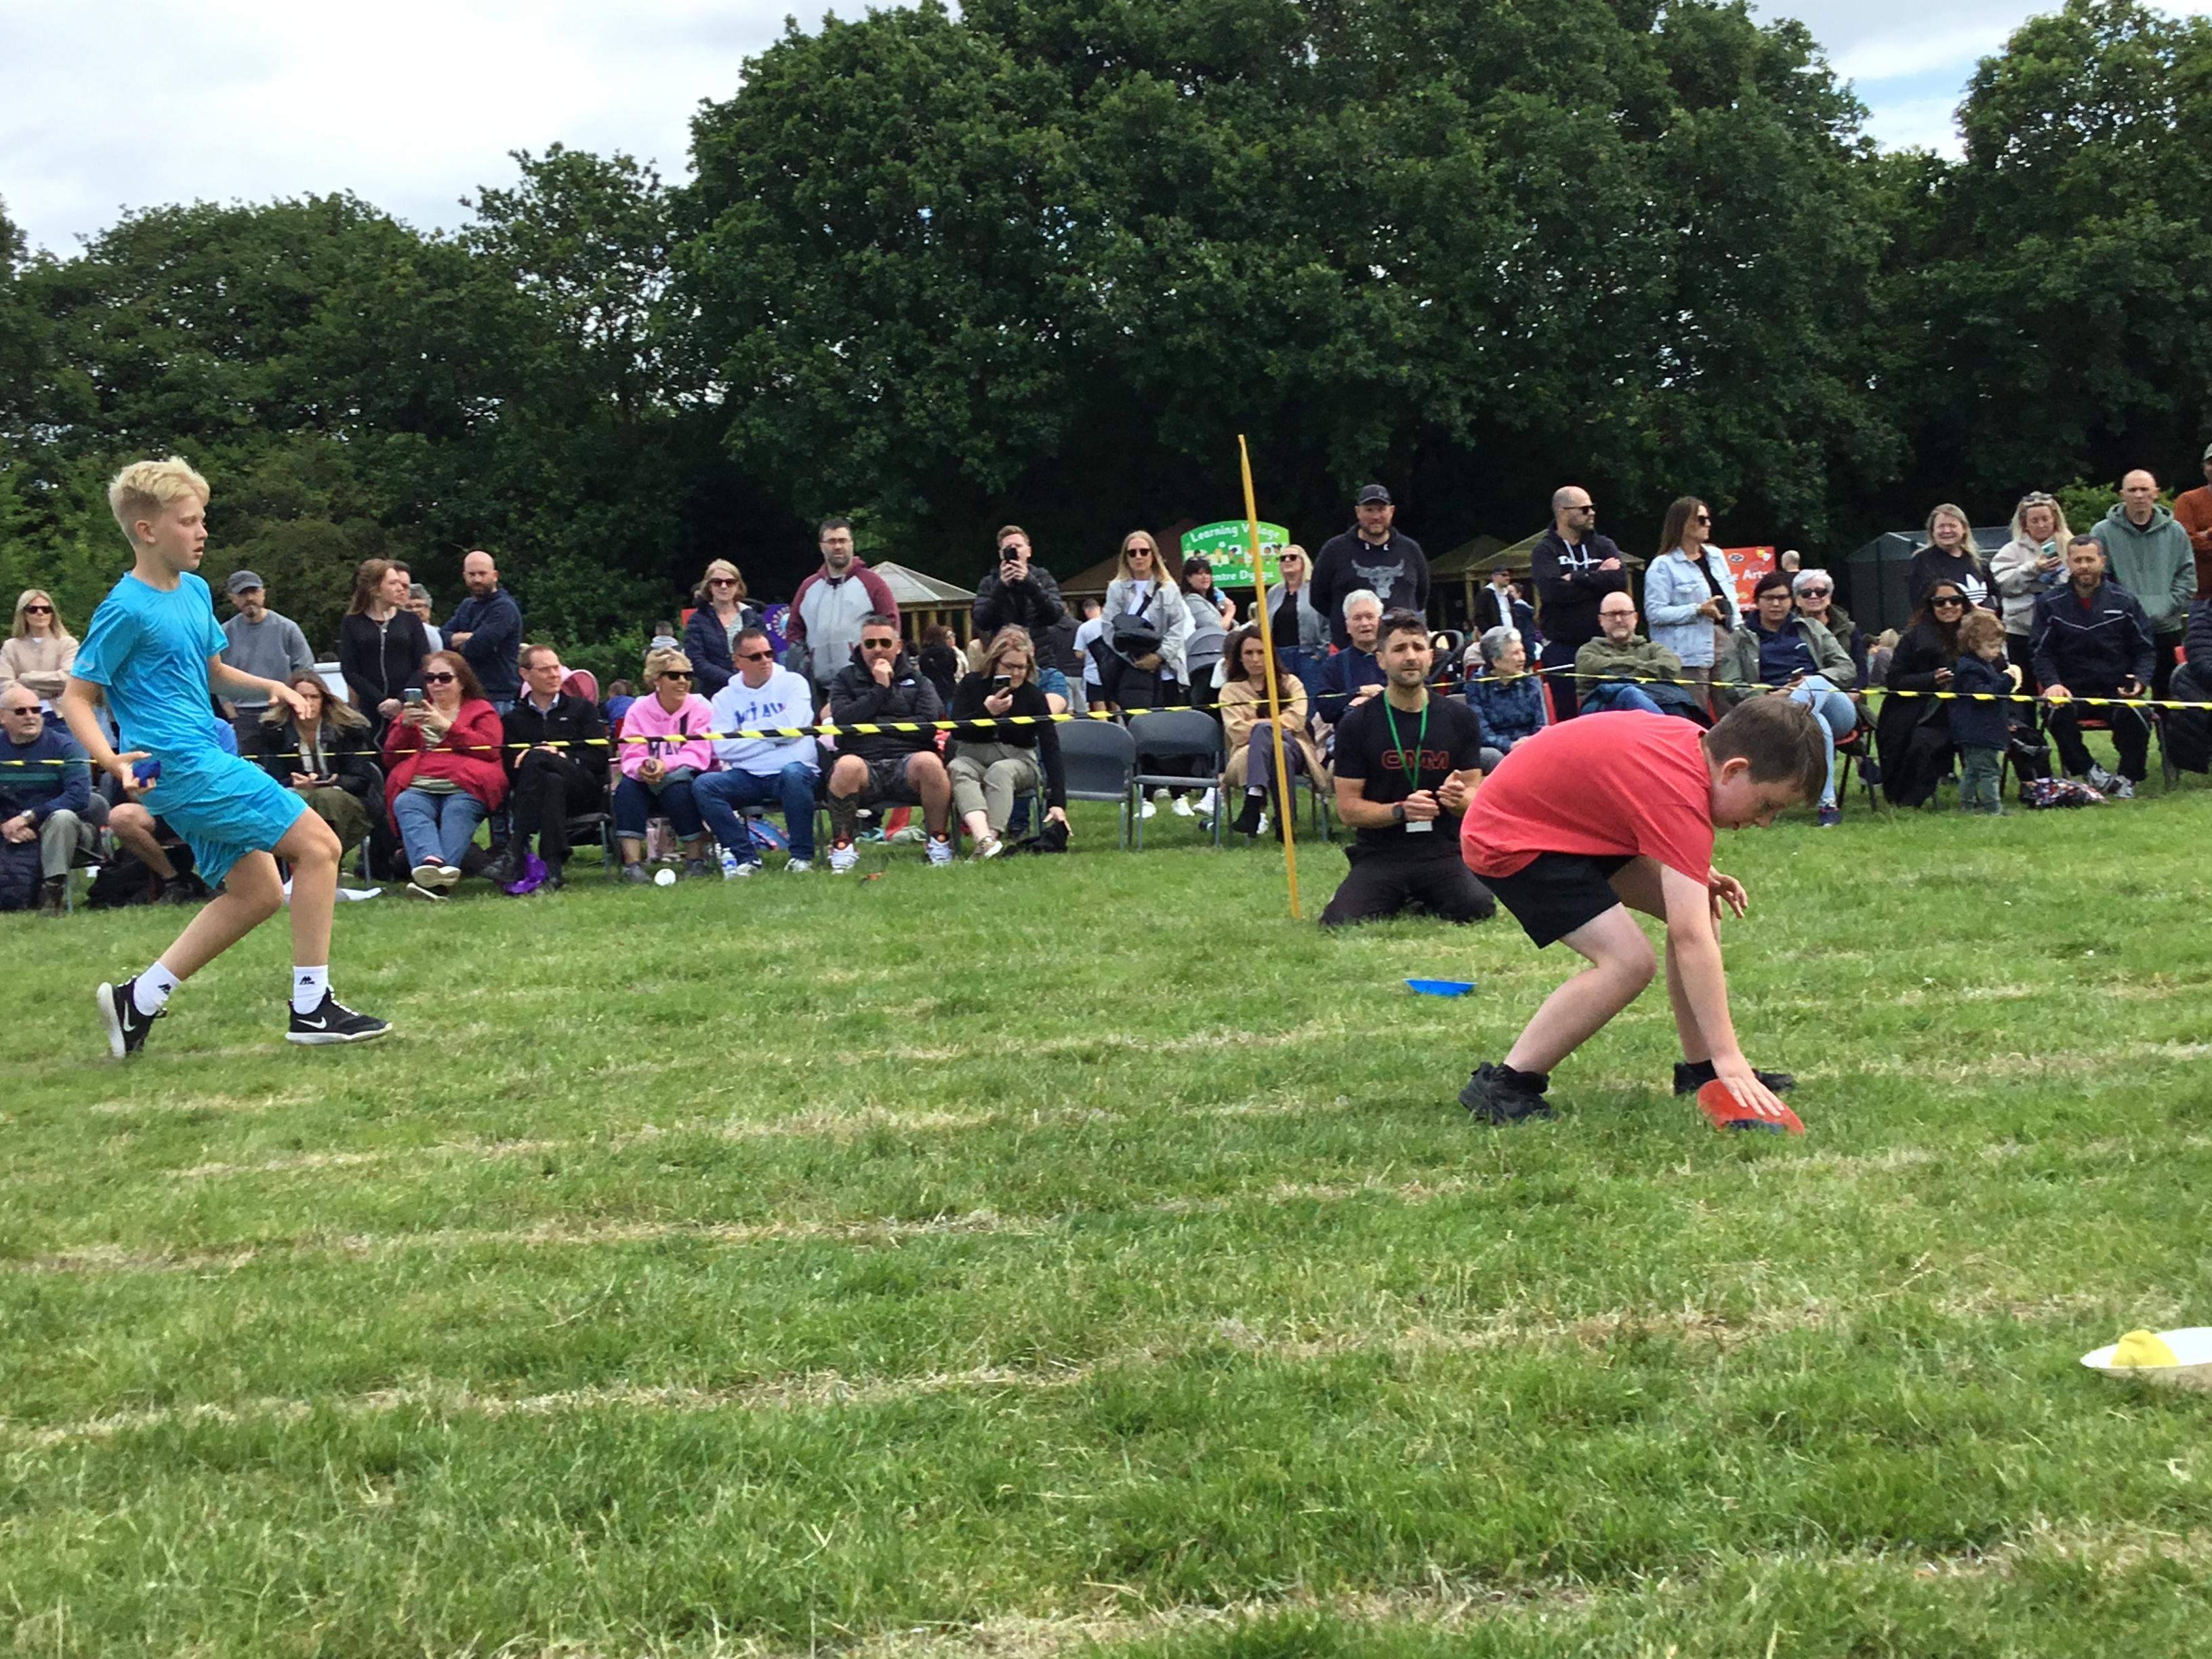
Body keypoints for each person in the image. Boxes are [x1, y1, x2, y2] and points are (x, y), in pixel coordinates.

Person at [61, 457, 386, 1052]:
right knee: (319, 847)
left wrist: (273, 686)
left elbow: (213, 673)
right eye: (188, 522)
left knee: (257, 893)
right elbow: (77, 697)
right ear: (147, 531)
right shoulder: (125, 608)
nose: (202, 532)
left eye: (202, 519)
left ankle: (139, 1000)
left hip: (199, 755)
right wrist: (112, 759)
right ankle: (312, 1008)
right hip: (179, 763)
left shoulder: (191, 592)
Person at [1456, 697, 1824, 1126]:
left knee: (1701, 908)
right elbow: (1690, 938)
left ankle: (1702, 1069)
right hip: (1510, 840)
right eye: (1766, 806)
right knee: (1629, 963)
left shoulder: (1695, 750)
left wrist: (1694, 870)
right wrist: (1732, 1057)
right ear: (1733, 770)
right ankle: (1507, 1082)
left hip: (1564, 827)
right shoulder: (1680, 794)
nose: (1765, 823)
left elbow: (1629, 795)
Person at [1319, 612, 1494, 927]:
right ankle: (1402, 895)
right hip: (1382, 854)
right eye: (1399, 649)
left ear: (1430, 656)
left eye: (1418, 647)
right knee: (1340, 922)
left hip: (1443, 852)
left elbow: (1474, 798)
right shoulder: (1356, 724)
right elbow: (1348, 809)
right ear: (1381, 659)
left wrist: (1459, 799)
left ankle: (1416, 898)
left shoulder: (1460, 718)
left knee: (1478, 908)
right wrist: (1401, 811)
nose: (1410, 656)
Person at [1715, 571, 1858, 826]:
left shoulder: (1811, 628)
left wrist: (1808, 684)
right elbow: (1731, 686)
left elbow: (1846, 668)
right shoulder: (1740, 637)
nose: (1776, 604)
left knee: (1816, 684)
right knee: (1817, 724)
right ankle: (1828, 805)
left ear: (1792, 601)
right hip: (1776, 707)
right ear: (1757, 602)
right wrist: (1770, 695)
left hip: (1832, 705)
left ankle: (1793, 716)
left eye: (1782, 598)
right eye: (1769, 598)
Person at [825, 615, 954, 871]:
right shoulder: (844, 679)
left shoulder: (919, 680)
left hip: (909, 762)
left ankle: (938, 842)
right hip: (862, 762)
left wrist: (874, 722)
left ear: (898, 646)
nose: (877, 649)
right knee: (846, 766)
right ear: (860, 647)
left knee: (930, 763)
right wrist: (880, 689)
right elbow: (843, 720)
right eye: (870, 643)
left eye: (885, 642)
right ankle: (842, 846)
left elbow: (927, 725)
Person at [2033, 537, 2156, 797]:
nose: (2084, 566)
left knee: (2138, 714)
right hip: (2071, 690)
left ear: (2102, 561)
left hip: (2116, 689)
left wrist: (2139, 681)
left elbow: (2145, 650)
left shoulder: (2125, 600)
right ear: (2068, 563)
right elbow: (2041, 653)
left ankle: (2127, 777)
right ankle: (2089, 771)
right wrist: (2052, 684)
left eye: (2090, 559)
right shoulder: (2049, 603)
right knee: (2056, 715)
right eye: (2077, 560)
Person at [382, 649, 508, 897]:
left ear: (462, 681)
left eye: (445, 678)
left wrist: (447, 727)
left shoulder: (481, 710)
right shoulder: (413, 713)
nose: (436, 684)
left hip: (465, 786)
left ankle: (431, 881)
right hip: (419, 785)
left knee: (457, 810)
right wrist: (405, 727)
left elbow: (490, 749)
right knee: (406, 803)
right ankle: (432, 864)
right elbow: (391, 758)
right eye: (430, 678)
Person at [696, 626, 819, 876]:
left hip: (795, 771)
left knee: (794, 775)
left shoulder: (794, 683)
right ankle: (745, 858)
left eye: (769, 653)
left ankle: (801, 857)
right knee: (704, 785)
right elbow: (723, 748)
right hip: (748, 776)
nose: (765, 660)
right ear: (737, 661)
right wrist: (775, 737)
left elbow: (794, 727)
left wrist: (747, 731)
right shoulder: (724, 698)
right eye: (756, 656)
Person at [488, 644, 609, 891]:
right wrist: (542, 758)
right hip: (539, 794)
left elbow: (599, 758)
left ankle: (515, 850)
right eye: (545, 670)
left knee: (537, 758)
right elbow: (512, 769)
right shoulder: (513, 720)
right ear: (525, 674)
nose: (554, 675)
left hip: (583, 788)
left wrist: (558, 756)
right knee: (552, 782)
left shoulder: (582, 709)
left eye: (556, 668)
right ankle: (552, 869)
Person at [947, 626, 1069, 858]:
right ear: (995, 662)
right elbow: (957, 731)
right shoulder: (971, 684)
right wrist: (987, 712)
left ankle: (991, 839)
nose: (1016, 673)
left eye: (1022, 667)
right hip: (972, 755)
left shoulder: (1033, 695)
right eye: (1009, 666)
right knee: (957, 767)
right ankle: (984, 840)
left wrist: (1058, 802)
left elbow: (1051, 747)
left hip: (1019, 760)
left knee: (1000, 771)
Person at [2086, 469, 2196, 699]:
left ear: (2156, 493)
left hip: (2166, 626)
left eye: (2144, 489)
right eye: (2133, 490)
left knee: (2169, 695)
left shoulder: (2176, 532)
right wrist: (2122, 609)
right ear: (2122, 495)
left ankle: (2167, 726)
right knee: (2124, 697)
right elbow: (2099, 579)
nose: (2139, 495)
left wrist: (2168, 606)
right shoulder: (2102, 532)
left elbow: (2187, 576)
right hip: (2121, 628)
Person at [612, 648, 717, 880]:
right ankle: (632, 866)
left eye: (687, 676)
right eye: (674, 675)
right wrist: (644, 767)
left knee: (678, 790)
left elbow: (699, 754)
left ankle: (695, 861)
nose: (682, 681)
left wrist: (665, 765)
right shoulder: (638, 710)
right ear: (656, 680)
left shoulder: (701, 709)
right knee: (627, 790)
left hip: (686, 775)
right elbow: (630, 752)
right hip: (645, 776)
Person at [1218, 625, 1328, 839]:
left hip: (1298, 750)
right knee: (1280, 751)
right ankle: (1284, 826)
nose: (1255, 659)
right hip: (1247, 754)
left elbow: (1297, 721)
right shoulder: (1230, 691)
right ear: (1239, 657)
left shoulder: (1292, 683)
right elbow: (1237, 732)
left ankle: (1254, 797)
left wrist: (1258, 725)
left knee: (1266, 733)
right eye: (1249, 653)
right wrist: (1277, 723)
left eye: (1261, 652)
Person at [1529, 484, 1627, 719]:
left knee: (1612, 711)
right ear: (1562, 512)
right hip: (1563, 647)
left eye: (1592, 507)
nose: (1591, 513)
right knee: (1568, 715)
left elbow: (1619, 582)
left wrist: (1575, 577)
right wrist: (1598, 577)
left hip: (1605, 645)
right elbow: (1553, 592)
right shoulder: (1545, 551)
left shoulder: (1604, 545)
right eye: (1584, 509)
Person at [255, 670, 378, 855]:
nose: (309, 702)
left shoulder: (348, 729)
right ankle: (310, 859)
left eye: (314, 697)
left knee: (325, 797)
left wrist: (332, 781)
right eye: (302, 697)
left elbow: (361, 780)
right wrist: (293, 782)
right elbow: (272, 780)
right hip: (295, 797)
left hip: (345, 801)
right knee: (300, 799)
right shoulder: (275, 732)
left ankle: (324, 856)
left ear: (324, 700)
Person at [1, 682, 98, 913]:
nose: (31, 716)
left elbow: (78, 797)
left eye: (36, 710)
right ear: (2, 717)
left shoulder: (67, 746)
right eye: (21, 711)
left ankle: (52, 893)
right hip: (9, 826)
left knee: (62, 817)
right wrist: (5, 825)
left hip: (67, 830)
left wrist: (29, 818)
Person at [1877, 581, 1970, 808]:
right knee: (1922, 741)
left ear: (1964, 604)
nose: (1948, 606)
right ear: (1931, 606)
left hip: (1971, 711)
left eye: (1955, 600)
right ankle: (1909, 797)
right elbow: (1895, 680)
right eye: (1940, 602)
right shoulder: (1913, 639)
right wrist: (1930, 679)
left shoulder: (1977, 633)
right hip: (1924, 711)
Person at [1641, 499, 1734, 712]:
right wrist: (1697, 610)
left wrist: (1738, 632)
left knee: (1732, 711)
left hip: (1724, 641)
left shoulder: (1716, 556)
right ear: (1682, 523)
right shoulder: (1663, 566)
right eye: (1701, 519)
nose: (1708, 524)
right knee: (1693, 713)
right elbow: (1654, 613)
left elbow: (1732, 596)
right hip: (1686, 653)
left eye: (1708, 518)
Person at [787, 517, 900, 691]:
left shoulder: (873, 583)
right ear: (822, 546)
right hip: (817, 685)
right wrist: (805, 662)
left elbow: (891, 626)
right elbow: (794, 630)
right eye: (832, 541)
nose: (838, 546)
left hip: (862, 682)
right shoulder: (808, 587)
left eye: (843, 540)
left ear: (852, 544)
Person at [1311, 485, 1429, 647]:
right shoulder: (1334, 550)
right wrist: (1347, 620)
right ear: (1358, 512)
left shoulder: (1411, 550)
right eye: (1369, 510)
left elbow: (1421, 596)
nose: (1375, 516)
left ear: (1391, 511)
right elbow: (1318, 598)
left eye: (1381, 510)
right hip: (1349, 648)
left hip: (1401, 648)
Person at [339, 558, 431, 738]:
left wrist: (400, 700)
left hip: (407, 706)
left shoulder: (410, 620)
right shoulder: (352, 622)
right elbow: (350, 669)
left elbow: (423, 664)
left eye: (400, 583)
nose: (400, 588)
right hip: (371, 706)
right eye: (393, 583)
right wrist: (381, 701)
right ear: (375, 590)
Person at [1991, 491, 2072, 694]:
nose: (2041, 525)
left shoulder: (2071, 546)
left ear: (2055, 519)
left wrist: (2052, 577)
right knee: (2023, 687)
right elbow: (2004, 585)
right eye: (2035, 521)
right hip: (2020, 630)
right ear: (2024, 524)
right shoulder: (2010, 551)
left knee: (2061, 683)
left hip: (2061, 628)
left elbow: (2078, 582)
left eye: (2045, 519)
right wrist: (2033, 569)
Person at [1102, 530, 1191, 705]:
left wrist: (1158, 657)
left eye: (1144, 551)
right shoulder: (1116, 588)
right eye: (1132, 553)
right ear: (1125, 557)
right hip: (1130, 670)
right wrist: (1135, 660)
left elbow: (1178, 627)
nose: (1139, 557)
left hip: (1167, 671)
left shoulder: (1169, 588)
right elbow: (1108, 628)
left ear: (1153, 555)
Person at [218, 571, 314, 724]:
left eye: (254, 591)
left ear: (263, 593)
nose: (249, 598)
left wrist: (294, 702)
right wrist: (228, 707)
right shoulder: (223, 633)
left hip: (282, 710)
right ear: (233, 599)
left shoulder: (287, 628)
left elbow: (304, 669)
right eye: (243, 594)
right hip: (242, 714)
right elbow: (216, 672)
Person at [1574, 594, 1689, 716]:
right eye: (1612, 614)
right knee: (1630, 694)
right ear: (1601, 620)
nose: (1618, 620)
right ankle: (1665, 727)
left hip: (1655, 698)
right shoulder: (1588, 651)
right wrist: (1644, 669)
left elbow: (1671, 668)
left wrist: (1618, 672)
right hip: (1601, 706)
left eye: (1624, 613)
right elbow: (1589, 669)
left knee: (1676, 705)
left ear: (1635, 617)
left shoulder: (1654, 648)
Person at [443, 550, 523, 713]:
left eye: (482, 573)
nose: (477, 579)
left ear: (495, 575)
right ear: (464, 576)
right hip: (468, 694)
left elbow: (476, 648)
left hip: (499, 696)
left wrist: (459, 641)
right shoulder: (466, 606)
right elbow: (441, 638)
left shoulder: (504, 608)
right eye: (472, 574)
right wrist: (468, 637)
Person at [1950, 609, 2013, 815]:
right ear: (1973, 644)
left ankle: (1968, 804)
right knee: (1989, 771)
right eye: (1992, 646)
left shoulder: (1982, 665)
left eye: (2000, 647)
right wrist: (2007, 680)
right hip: (1979, 730)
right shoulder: (1971, 669)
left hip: (1979, 729)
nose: (1997, 652)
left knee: (1973, 770)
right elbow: (1984, 695)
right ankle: (1993, 808)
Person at [1465, 626, 1547, 768]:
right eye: (1515, 653)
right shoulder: (1477, 685)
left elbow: (1542, 725)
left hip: (1530, 744)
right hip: (1497, 750)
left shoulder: (1531, 682)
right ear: (1496, 661)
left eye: (1522, 651)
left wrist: (1530, 742)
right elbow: (1482, 732)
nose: (1522, 658)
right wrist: (1509, 745)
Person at [681, 558, 762, 696]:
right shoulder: (697, 621)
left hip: (755, 691)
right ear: (709, 586)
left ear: (738, 586)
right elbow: (695, 661)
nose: (724, 586)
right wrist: (732, 680)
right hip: (714, 694)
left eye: (730, 582)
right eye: (717, 582)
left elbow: (767, 654)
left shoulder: (753, 618)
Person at [1311, 590, 1387, 731]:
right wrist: (1358, 692)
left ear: (1380, 622)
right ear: (1348, 626)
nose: (1365, 623)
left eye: (1370, 616)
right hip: (1350, 737)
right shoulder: (1334, 665)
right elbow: (1325, 709)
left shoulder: (1396, 658)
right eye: (1357, 618)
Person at [972, 527, 1067, 638]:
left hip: (1039, 646)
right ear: (1001, 554)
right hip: (1005, 646)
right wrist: (1001, 587)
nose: (1015, 550)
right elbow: (982, 622)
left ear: (1029, 552)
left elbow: (1055, 616)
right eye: (1009, 548)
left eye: (1018, 546)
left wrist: (1030, 583)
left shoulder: (1042, 578)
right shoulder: (989, 583)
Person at [1264, 544, 1330, 688]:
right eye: (1283, 558)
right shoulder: (1273, 593)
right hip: (1279, 657)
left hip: (1309, 656)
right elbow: (1264, 623)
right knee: (1284, 697)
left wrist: (1322, 652)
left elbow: (1329, 622)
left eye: (1293, 557)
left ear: (1303, 562)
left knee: (1311, 698)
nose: (1287, 560)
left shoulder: (1316, 588)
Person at [1906, 504, 1994, 612]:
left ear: (1964, 529)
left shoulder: (1979, 563)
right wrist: (1969, 609)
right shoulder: (1922, 561)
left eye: (1952, 526)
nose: (1947, 531)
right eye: (1941, 526)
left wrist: (1988, 611)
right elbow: (1921, 603)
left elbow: (1995, 595)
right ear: (1932, 531)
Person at [2, 588, 79, 706]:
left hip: (61, 712)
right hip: (22, 711)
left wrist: (26, 679)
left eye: (46, 609)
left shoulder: (68, 644)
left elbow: (69, 679)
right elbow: (5, 685)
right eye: (33, 610)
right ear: (24, 614)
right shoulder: (10, 647)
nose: (40, 613)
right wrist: (43, 693)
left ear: (52, 614)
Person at [1181, 555, 1235, 711]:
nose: (1204, 577)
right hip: (1203, 662)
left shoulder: (1213, 601)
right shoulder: (1191, 601)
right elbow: (1217, 627)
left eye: (1207, 573)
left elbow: (1234, 626)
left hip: (1221, 658)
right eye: (1198, 573)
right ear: (1188, 578)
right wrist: (1230, 612)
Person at [2177, 443, 2212, 602]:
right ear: (2204, 468)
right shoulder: (2188, 500)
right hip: (2200, 597)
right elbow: (2185, 542)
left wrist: (2207, 533)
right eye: (2211, 463)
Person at [1472, 567, 1534, 637]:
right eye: (1504, 575)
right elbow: (1479, 617)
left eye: (1509, 576)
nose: (1508, 578)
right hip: (1494, 637)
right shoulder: (1485, 594)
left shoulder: (1509, 596)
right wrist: (1489, 634)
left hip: (1511, 635)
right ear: (1494, 577)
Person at [407, 583, 443, 652]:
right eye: (408, 607)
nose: (414, 610)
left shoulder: (441, 634)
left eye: (419, 606)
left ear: (429, 608)